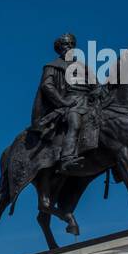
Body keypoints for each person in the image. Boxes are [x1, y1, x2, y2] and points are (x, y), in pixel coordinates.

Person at [30, 33, 92, 169]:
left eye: (72, 44)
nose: (69, 47)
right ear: (59, 48)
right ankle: (67, 158)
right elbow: (47, 86)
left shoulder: (84, 67)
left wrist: (98, 90)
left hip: (88, 101)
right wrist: (63, 102)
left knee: (109, 121)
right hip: (69, 101)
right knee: (75, 123)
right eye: (66, 44)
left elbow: (95, 84)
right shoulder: (52, 66)